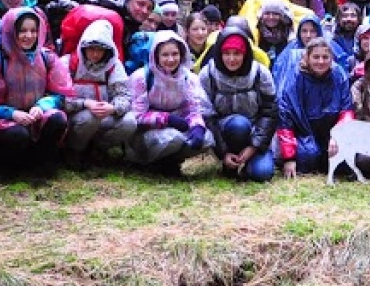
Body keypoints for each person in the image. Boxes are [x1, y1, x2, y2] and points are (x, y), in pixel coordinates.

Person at [0, 6, 70, 172]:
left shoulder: (47, 57)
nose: (28, 36)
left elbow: (61, 94)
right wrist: (13, 114)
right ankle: (11, 169)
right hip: (7, 120)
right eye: (22, 31)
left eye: (33, 30)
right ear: (11, 32)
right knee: (17, 135)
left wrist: (41, 106)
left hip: (36, 115)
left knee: (57, 119)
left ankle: (42, 164)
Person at [199, 26, 277, 183]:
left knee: (263, 173)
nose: (231, 59)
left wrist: (254, 146)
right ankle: (230, 161)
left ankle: (247, 162)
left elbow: (270, 112)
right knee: (238, 124)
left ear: (246, 53)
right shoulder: (207, 74)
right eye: (226, 53)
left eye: (237, 53)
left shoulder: (261, 73)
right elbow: (206, 115)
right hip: (225, 132)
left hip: (255, 132)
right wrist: (223, 152)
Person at [126, 30, 209, 176]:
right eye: (165, 55)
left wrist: (197, 127)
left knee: (207, 139)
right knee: (173, 138)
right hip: (145, 132)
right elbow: (137, 116)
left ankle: (171, 161)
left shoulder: (189, 79)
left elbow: (193, 109)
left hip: (177, 125)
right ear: (156, 56)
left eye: (175, 54)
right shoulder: (142, 77)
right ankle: (146, 161)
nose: (170, 59)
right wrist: (167, 119)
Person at [62, 18, 137, 162]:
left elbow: (124, 95)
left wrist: (113, 107)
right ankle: (74, 151)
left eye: (100, 49)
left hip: (104, 115)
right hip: (75, 117)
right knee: (90, 118)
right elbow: (59, 98)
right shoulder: (68, 63)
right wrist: (85, 103)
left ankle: (98, 149)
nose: (95, 54)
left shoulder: (114, 66)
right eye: (91, 49)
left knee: (129, 122)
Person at [276, 38, 351, 180]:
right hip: (303, 133)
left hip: (330, 132)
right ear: (307, 57)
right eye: (316, 57)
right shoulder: (295, 77)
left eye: (325, 57)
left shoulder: (339, 75)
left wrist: (338, 136)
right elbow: (285, 116)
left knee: (344, 163)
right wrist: (289, 157)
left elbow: (346, 111)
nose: (321, 61)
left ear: (331, 58)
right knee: (308, 158)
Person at [328, 2, 362, 72]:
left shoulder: (364, 38)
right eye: (345, 16)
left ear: (359, 19)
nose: (349, 19)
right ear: (338, 19)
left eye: (353, 16)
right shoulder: (332, 40)